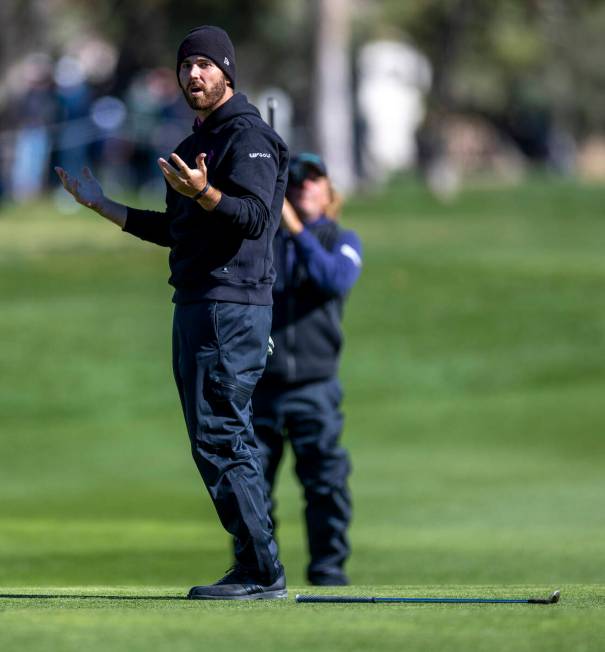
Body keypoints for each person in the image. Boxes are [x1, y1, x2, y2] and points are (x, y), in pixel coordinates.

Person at [55, 25, 289, 600]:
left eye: (206, 65)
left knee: (223, 436)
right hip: (196, 303)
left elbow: (257, 217)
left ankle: (263, 572)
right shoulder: (191, 149)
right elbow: (177, 231)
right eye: (187, 66)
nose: (194, 75)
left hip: (230, 308)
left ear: (228, 71)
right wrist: (102, 205)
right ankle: (253, 564)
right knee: (213, 438)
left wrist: (207, 194)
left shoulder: (249, 137)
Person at [252, 153, 362, 586]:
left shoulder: (342, 239)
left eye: (313, 180)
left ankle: (328, 569)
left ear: (328, 191)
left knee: (325, 483)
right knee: (252, 488)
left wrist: (296, 230)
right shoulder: (263, 243)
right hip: (261, 384)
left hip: (315, 386)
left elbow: (333, 279)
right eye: (294, 182)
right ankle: (259, 572)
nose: (303, 188)